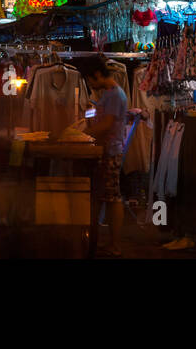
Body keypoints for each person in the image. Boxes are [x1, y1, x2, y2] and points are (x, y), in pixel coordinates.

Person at [78, 55, 128, 257]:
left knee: (113, 198)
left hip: (111, 151)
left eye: (90, 80)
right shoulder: (108, 94)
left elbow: (107, 124)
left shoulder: (115, 94)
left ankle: (115, 245)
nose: (90, 84)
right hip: (105, 150)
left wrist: (83, 134)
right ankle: (106, 242)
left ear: (97, 74)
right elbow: (99, 117)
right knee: (108, 196)